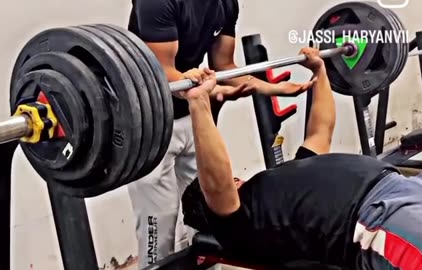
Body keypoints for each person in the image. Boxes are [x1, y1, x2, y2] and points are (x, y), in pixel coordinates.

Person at [180, 54, 422, 268]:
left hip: (418, 187)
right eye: (233, 180)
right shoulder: (237, 227)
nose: (235, 177)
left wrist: (320, 71)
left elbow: (320, 131)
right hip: (380, 217)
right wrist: (199, 103)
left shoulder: (285, 179)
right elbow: (216, 183)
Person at [127, 0, 317, 267]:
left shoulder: (226, 3)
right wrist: (191, 80)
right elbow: (158, 71)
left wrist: (274, 88)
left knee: (209, 211)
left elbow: (225, 66)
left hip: (192, 115)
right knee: (160, 224)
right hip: (150, 123)